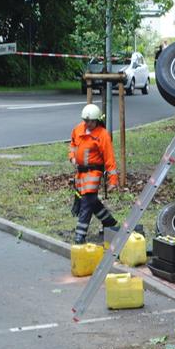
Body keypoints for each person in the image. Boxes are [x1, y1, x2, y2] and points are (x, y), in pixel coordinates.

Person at [69, 104, 119, 244]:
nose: (88, 124)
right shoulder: (78, 129)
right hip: (80, 174)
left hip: (93, 173)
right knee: (92, 202)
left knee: (86, 203)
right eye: (86, 120)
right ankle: (109, 221)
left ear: (97, 120)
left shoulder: (102, 135)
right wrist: (72, 156)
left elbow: (109, 159)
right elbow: (72, 144)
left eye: (90, 121)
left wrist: (113, 180)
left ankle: (80, 235)